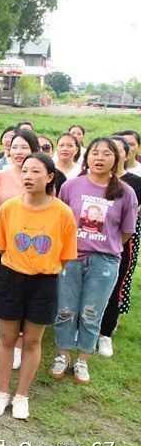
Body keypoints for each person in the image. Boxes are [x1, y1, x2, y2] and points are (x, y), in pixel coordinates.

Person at [0, 153, 77, 418]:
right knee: (7, 338)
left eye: (36, 171)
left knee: (32, 341)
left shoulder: (63, 213)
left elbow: (64, 256)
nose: (28, 176)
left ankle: (22, 395)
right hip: (11, 278)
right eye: (25, 171)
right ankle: (3, 391)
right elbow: (1, 246)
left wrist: (41, 268)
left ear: (50, 177)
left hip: (44, 282)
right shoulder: (9, 208)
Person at [51, 138, 138, 384]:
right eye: (95, 153)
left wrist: (104, 245)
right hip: (70, 258)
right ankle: (62, 355)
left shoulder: (125, 192)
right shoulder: (71, 186)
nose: (100, 158)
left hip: (104, 262)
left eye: (106, 154)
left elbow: (126, 231)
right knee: (66, 309)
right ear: (87, 157)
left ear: (116, 159)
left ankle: (82, 360)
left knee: (91, 312)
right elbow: (60, 221)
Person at [0, 130, 40, 368]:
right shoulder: (0, 176)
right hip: (0, 242)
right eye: (15, 147)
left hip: (29, 246)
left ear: (33, 150)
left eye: (24, 147)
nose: (18, 152)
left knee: (23, 293)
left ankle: (18, 344)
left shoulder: (42, 178)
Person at [98, 136, 141, 356]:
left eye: (113, 151)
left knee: (115, 287)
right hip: (88, 243)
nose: (107, 156)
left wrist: (114, 244)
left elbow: (130, 223)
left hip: (120, 244)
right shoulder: (90, 180)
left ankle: (105, 333)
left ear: (125, 154)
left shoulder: (134, 184)